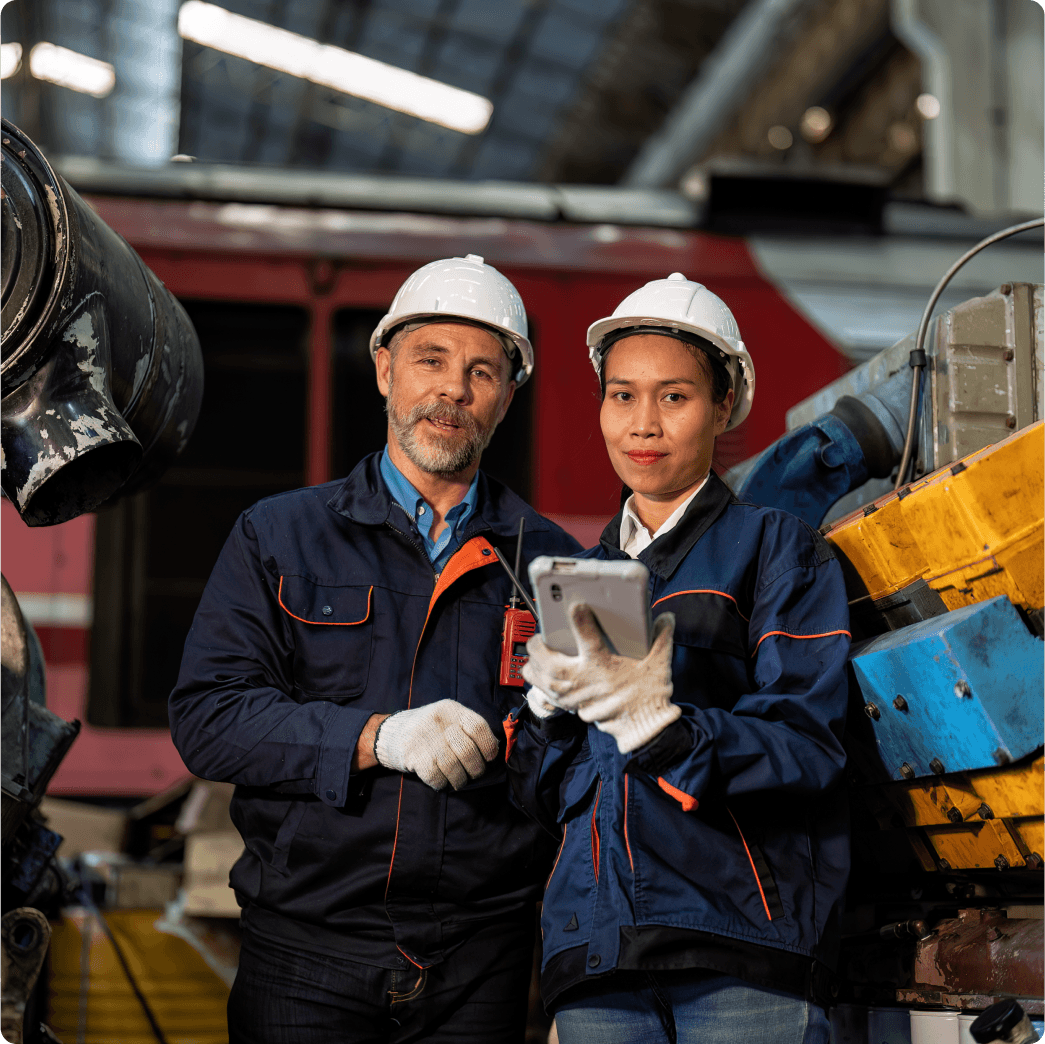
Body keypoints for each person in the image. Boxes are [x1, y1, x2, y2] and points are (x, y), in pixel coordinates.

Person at [169, 254, 581, 1044]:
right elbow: (208, 717)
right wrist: (375, 736)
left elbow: (585, 772)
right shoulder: (277, 535)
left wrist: (549, 727)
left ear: (506, 399)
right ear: (385, 367)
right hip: (304, 952)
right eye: (430, 360)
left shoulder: (555, 565)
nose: (453, 390)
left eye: (482, 372)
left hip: (481, 962)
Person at [505, 273, 850, 1044]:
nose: (643, 423)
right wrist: (543, 715)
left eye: (674, 396)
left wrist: (664, 726)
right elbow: (544, 796)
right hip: (596, 960)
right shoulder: (580, 580)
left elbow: (808, 747)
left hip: (738, 952)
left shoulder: (774, 550)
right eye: (621, 396)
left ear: (722, 405)